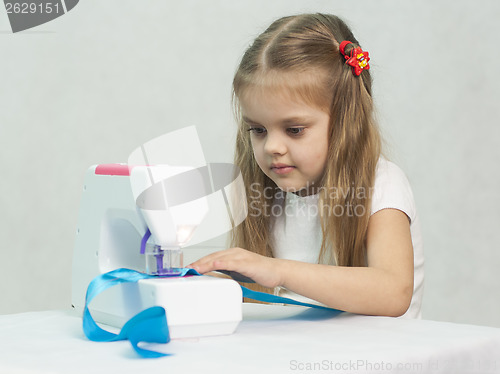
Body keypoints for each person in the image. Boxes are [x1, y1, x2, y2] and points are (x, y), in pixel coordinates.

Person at [188, 13, 424, 318]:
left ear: (344, 122)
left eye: (294, 129)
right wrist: (222, 282)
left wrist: (276, 270)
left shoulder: (381, 184)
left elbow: (393, 292)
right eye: (258, 130)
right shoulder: (267, 192)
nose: (271, 146)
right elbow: (278, 301)